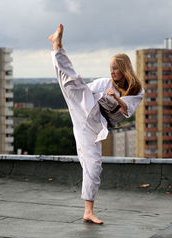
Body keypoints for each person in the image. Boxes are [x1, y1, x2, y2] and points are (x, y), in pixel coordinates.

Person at [49, 24, 144, 224]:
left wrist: (116, 99)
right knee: (71, 82)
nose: (112, 71)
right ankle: (57, 48)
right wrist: (91, 93)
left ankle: (88, 211)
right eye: (111, 68)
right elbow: (84, 89)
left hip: (92, 125)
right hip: (83, 106)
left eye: (116, 68)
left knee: (93, 166)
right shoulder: (103, 83)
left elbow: (126, 111)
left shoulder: (136, 90)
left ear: (124, 68)